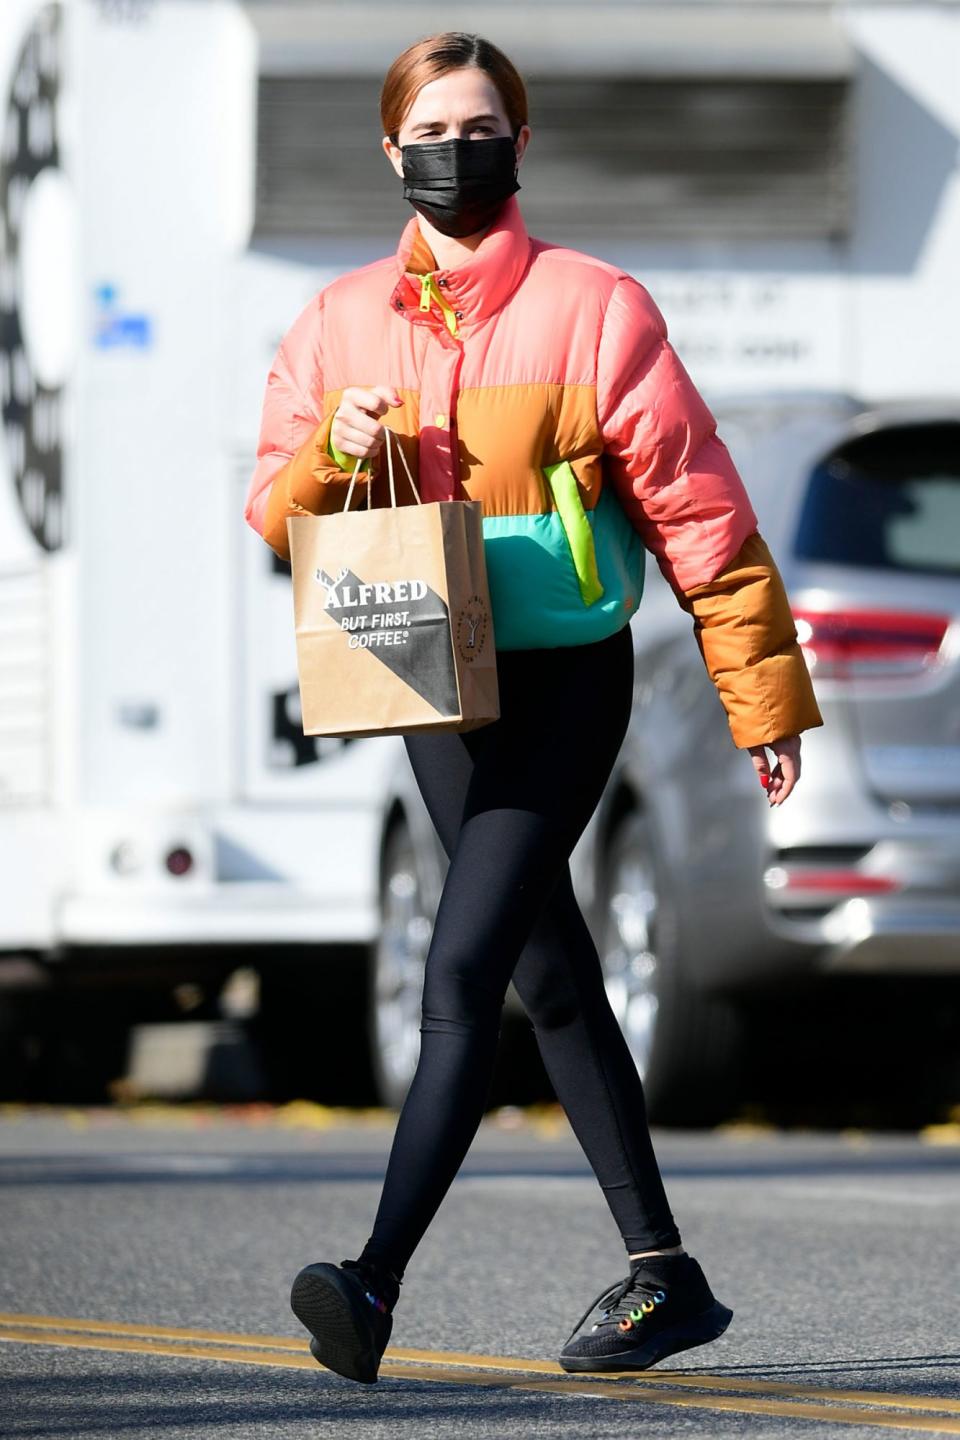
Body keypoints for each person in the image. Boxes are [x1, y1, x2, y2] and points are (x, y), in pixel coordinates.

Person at [243, 32, 823, 1387]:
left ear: (522, 141)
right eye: (434, 128)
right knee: (549, 975)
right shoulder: (336, 324)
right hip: (427, 679)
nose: (459, 147)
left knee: (461, 973)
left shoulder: (595, 307)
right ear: (392, 150)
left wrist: (761, 702)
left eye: (484, 124)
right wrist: (335, 450)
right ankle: (664, 1276)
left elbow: (703, 518)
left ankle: (371, 1284)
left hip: (563, 676)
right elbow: (276, 518)